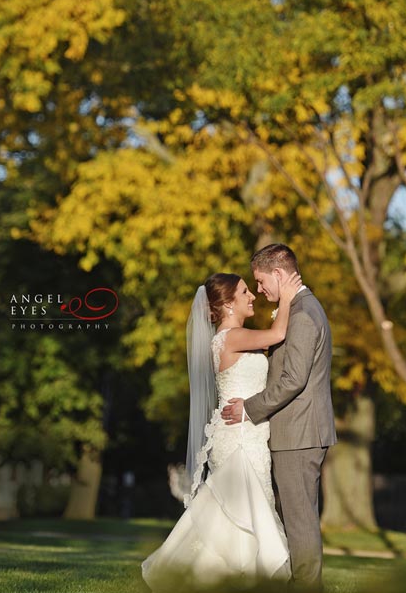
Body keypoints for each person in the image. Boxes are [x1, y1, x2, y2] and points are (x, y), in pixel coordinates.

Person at [141, 269, 302, 591]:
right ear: (228, 304)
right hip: (240, 437)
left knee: (236, 511)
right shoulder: (231, 336)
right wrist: (287, 296)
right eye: (245, 292)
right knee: (243, 509)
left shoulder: (231, 337)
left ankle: (227, 578)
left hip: (246, 433)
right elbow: (278, 333)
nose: (252, 296)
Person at [221, 244, 337, 590]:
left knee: (299, 522)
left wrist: (249, 408)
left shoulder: (302, 314)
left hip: (299, 434)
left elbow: (293, 380)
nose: (259, 290)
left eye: (260, 281)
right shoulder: (300, 308)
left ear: (278, 274)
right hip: (298, 432)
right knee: (293, 518)